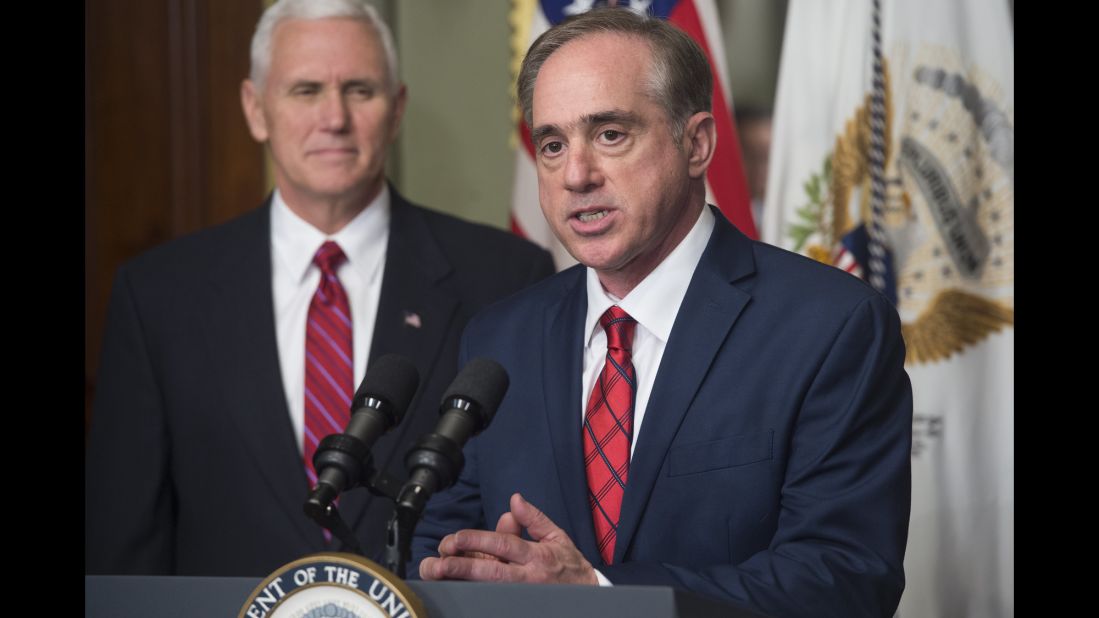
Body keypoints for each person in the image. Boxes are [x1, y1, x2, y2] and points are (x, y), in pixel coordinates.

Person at [411, 8, 912, 617]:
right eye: (552, 144)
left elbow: (844, 579)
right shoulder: (499, 339)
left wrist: (599, 595)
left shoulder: (831, 327)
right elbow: (440, 555)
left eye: (610, 134)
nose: (576, 175)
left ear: (696, 143)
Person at [85, 0, 554, 577]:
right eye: (305, 90)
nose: (334, 117)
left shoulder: (507, 278)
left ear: (397, 108)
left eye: (359, 90)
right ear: (256, 110)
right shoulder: (157, 296)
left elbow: (522, 513)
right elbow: (124, 550)